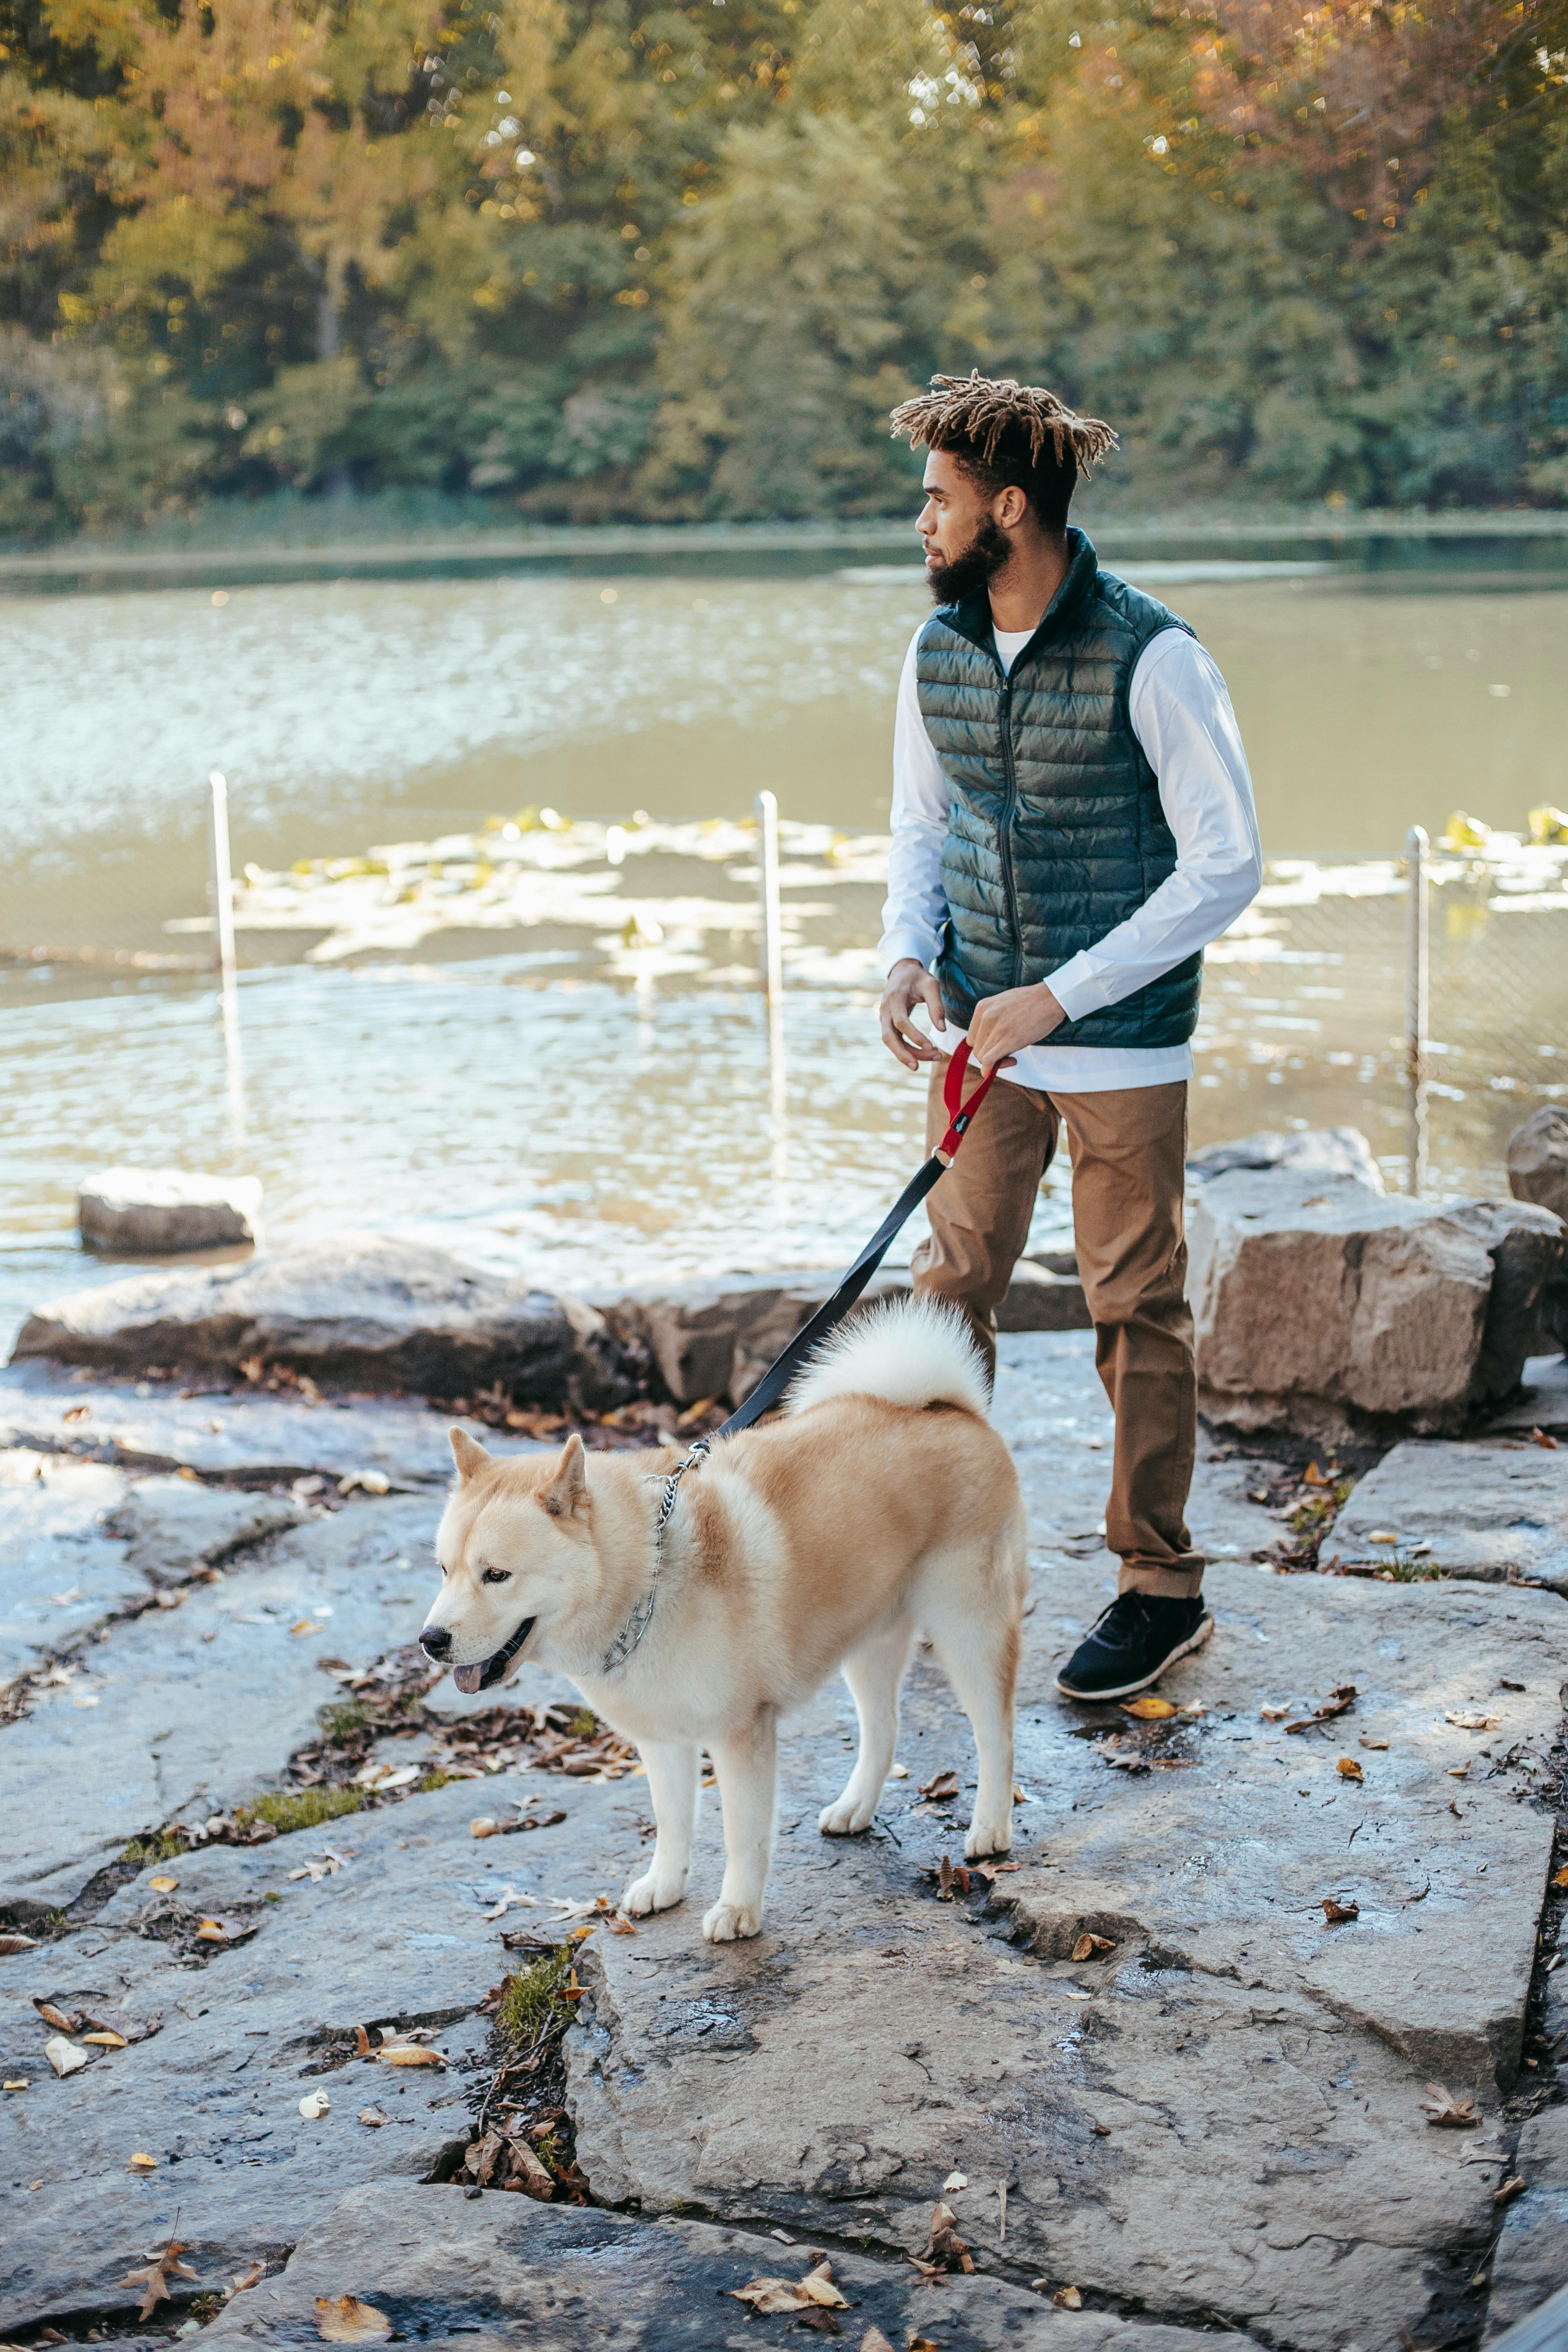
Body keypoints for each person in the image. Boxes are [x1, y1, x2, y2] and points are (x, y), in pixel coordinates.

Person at [877, 370, 1263, 1701]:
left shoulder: (1157, 656)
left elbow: (1228, 866)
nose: (918, 523)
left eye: (937, 500)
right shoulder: (936, 649)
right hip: (984, 1041)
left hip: (1122, 1046)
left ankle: (1159, 1585)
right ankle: (934, 1557)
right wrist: (905, 958)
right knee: (951, 1288)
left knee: (1134, 1307)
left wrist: (1067, 992)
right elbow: (923, 829)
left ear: (1010, 507)